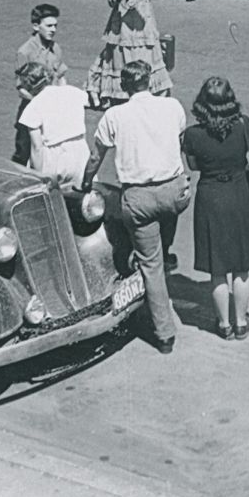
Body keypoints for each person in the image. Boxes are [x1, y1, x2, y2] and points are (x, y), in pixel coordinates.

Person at [81, 61, 191, 354]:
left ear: (123, 86)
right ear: (150, 82)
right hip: (175, 194)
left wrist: (86, 181)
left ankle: (165, 335)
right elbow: (179, 141)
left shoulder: (114, 115)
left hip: (139, 199)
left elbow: (96, 157)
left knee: (150, 264)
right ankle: (164, 257)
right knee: (162, 244)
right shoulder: (173, 107)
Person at [182, 77, 249, 340]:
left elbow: (194, 166)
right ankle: (241, 322)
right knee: (242, 266)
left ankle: (223, 325)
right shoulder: (243, 125)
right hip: (239, 194)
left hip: (210, 197)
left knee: (217, 268)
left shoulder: (192, 135)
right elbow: (247, 149)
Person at [87, 0, 174, 106]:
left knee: (148, 55)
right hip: (126, 26)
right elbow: (111, 0)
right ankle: (122, 94)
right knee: (123, 57)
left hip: (144, 22)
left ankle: (150, 91)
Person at [19, 62, 91, 189]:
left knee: (51, 197)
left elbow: (37, 147)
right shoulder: (73, 92)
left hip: (55, 158)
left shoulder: (34, 106)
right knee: (82, 196)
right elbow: (86, 101)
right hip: (80, 154)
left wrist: (38, 178)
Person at [13, 3, 67, 165]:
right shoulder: (25, 52)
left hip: (53, 111)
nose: (53, 30)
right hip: (31, 110)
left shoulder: (56, 48)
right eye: (49, 26)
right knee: (24, 154)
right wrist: (41, 104)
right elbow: (21, 88)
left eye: (55, 26)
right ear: (36, 26)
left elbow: (61, 76)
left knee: (50, 154)